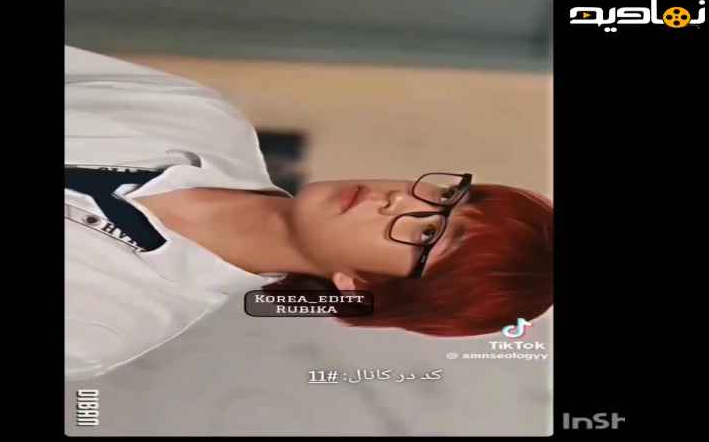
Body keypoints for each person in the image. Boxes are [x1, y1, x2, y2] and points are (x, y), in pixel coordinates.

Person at [65, 45, 553, 381]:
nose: (400, 200)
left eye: (426, 234)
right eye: (445, 197)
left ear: (361, 285)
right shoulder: (196, 116)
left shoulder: (106, 330)